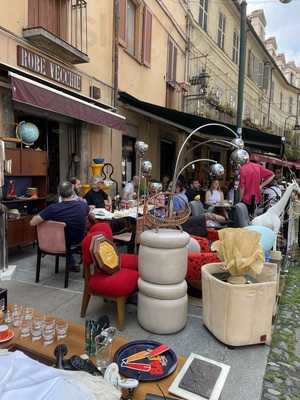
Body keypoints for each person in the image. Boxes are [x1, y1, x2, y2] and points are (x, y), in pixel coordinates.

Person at [30, 181, 89, 272]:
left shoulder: (53, 208)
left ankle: (71, 262)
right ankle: (74, 263)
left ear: (59, 194)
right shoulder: (82, 205)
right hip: (78, 240)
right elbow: (87, 214)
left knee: (60, 233)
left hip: (59, 242)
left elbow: (33, 222)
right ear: (73, 192)